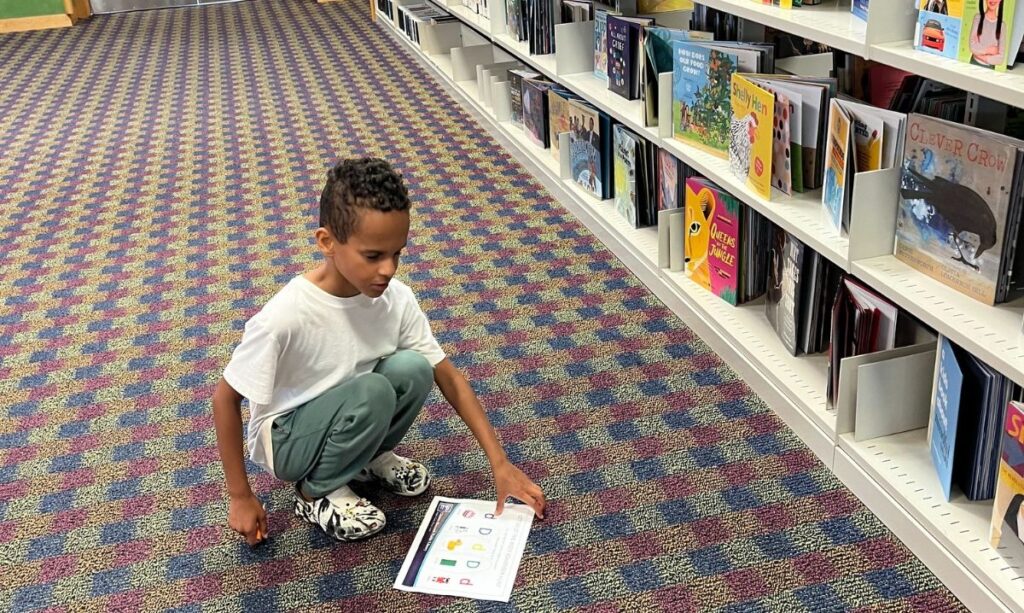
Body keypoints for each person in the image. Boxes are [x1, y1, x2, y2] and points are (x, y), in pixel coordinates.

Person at [212, 158, 547, 545]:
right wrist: (240, 495)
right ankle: (315, 492)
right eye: (373, 256)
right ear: (327, 243)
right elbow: (225, 399)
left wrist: (500, 464)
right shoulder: (284, 317)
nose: (388, 269)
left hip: (349, 407)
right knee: (373, 392)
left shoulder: (396, 299)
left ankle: (364, 460)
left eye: (397, 254)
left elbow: (450, 378)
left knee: (414, 368)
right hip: (288, 438)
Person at [969, 0, 1007, 67]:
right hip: (974, 63)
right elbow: (972, 47)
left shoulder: (1002, 26)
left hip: (990, 67)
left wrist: (978, 54)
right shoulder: (978, 18)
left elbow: (1000, 59)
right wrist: (990, 50)